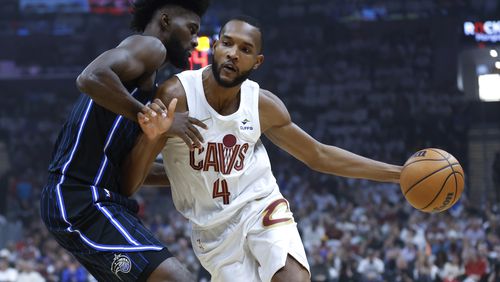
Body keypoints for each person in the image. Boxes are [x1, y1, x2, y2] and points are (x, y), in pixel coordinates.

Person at [128, 16, 402, 282]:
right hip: (213, 231)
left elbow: (318, 155)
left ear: (257, 62)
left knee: (292, 277)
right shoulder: (177, 95)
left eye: (245, 49)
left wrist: (398, 174)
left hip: (260, 206)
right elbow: (132, 180)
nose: (233, 54)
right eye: (227, 43)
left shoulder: (261, 105)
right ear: (215, 47)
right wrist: (152, 138)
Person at [40, 0, 210, 281]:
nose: (196, 40)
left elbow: (130, 171)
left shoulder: (145, 87)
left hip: (98, 198)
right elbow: (89, 77)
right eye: (191, 29)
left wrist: (193, 172)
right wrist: (146, 116)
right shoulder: (150, 47)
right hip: (78, 195)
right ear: (165, 21)